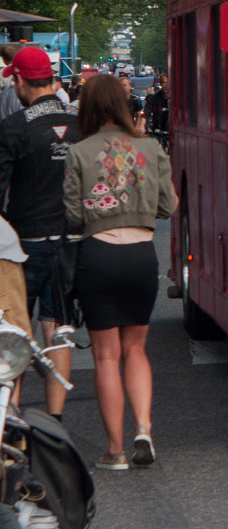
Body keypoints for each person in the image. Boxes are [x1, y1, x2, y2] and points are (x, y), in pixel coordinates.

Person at [63, 74, 176, 470]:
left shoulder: (79, 151)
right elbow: (168, 207)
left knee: (106, 357)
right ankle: (143, 427)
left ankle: (115, 450)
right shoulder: (149, 148)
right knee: (136, 350)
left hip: (99, 254)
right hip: (142, 257)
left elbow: (74, 215)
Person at [0, 44, 79, 416]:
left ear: (19, 80)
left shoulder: (12, 128)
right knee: (57, 330)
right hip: (68, 243)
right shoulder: (81, 123)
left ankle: (10, 421)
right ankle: (56, 421)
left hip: (23, 244)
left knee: (13, 336)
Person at [143, 74, 170, 151]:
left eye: (168, 83)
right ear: (161, 84)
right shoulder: (155, 98)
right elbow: (146, 113)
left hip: (171, 132)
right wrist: (142, 126)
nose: (166, 85)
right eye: (164, 83)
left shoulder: (176, 97)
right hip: (158, 131)